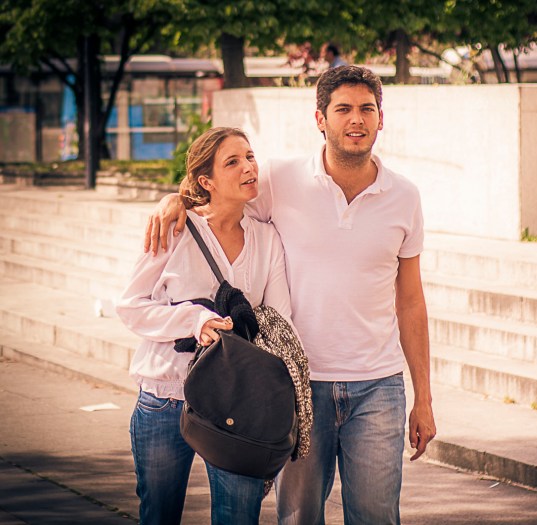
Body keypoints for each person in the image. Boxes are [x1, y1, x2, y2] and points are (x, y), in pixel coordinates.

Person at [146, 65, 437, 525]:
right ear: (320, 119)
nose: (356, 119)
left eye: (367, 109)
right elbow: (217, 194)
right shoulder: (280, 180)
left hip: (379, 385)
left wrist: (424, 396)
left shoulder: (405, 196)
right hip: (299, 386)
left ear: (382, 118)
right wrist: (175, 200)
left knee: (379, 516)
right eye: (343, 109)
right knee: (298, 517)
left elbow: (411, 300)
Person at [117, 127, 294, 524]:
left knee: (238, 517)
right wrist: (195, 319)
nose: (248, 167)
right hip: (166, 397)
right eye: (232, 162)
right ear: (206, 181)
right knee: (158, 515)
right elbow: (130, 306)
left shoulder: (268, 240)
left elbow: (279, 321)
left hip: (235, 406)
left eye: (249, 157)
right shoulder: (175, 230)